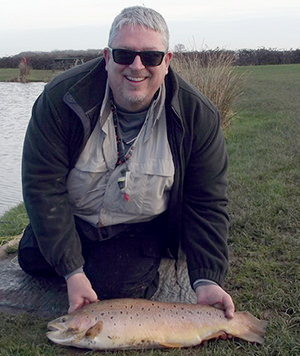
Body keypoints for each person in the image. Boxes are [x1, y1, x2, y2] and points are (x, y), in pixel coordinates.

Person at [18, 6, 235, 318]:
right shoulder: (60, 99)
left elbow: (207, 203)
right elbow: (42, 187)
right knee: (32, 259)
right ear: (107, 58)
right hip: (76, 218)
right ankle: (68, 257)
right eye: (124, 54)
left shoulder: (199, 116)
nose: (137, 66)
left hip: (137, 228)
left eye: (150, 57)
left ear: (167, 61)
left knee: (114, 287)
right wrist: (72, 271)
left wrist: (207, 279)